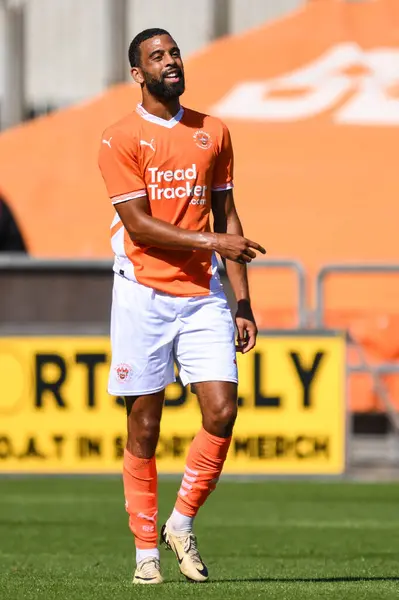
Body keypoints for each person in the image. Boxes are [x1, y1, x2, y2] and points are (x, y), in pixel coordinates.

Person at [98, 28, 266, 585]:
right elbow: (139, 225)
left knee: (221, 410)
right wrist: (216, 245)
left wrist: (242, 301)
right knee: (144, 425)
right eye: (158, 57)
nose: (171, 62)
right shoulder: (119, 137)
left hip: (203, 296)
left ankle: (180, 522)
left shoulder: (212, 131)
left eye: (174, 53)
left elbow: (228, 216)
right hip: (142, 292)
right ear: (137, 73)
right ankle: (145, 548)